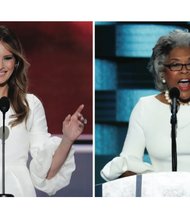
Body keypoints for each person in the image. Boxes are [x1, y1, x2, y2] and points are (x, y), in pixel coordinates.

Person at [0, 25, 87, 196]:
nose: (0, 65)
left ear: (16, 62)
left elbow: (46, 172)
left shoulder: (30, 105)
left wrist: (67, 139)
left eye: (7, 58)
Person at [100, 29, 190, 181]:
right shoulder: (146, 108)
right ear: (162, 73)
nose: (185, 71)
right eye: (175, 65)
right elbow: (129, 161)